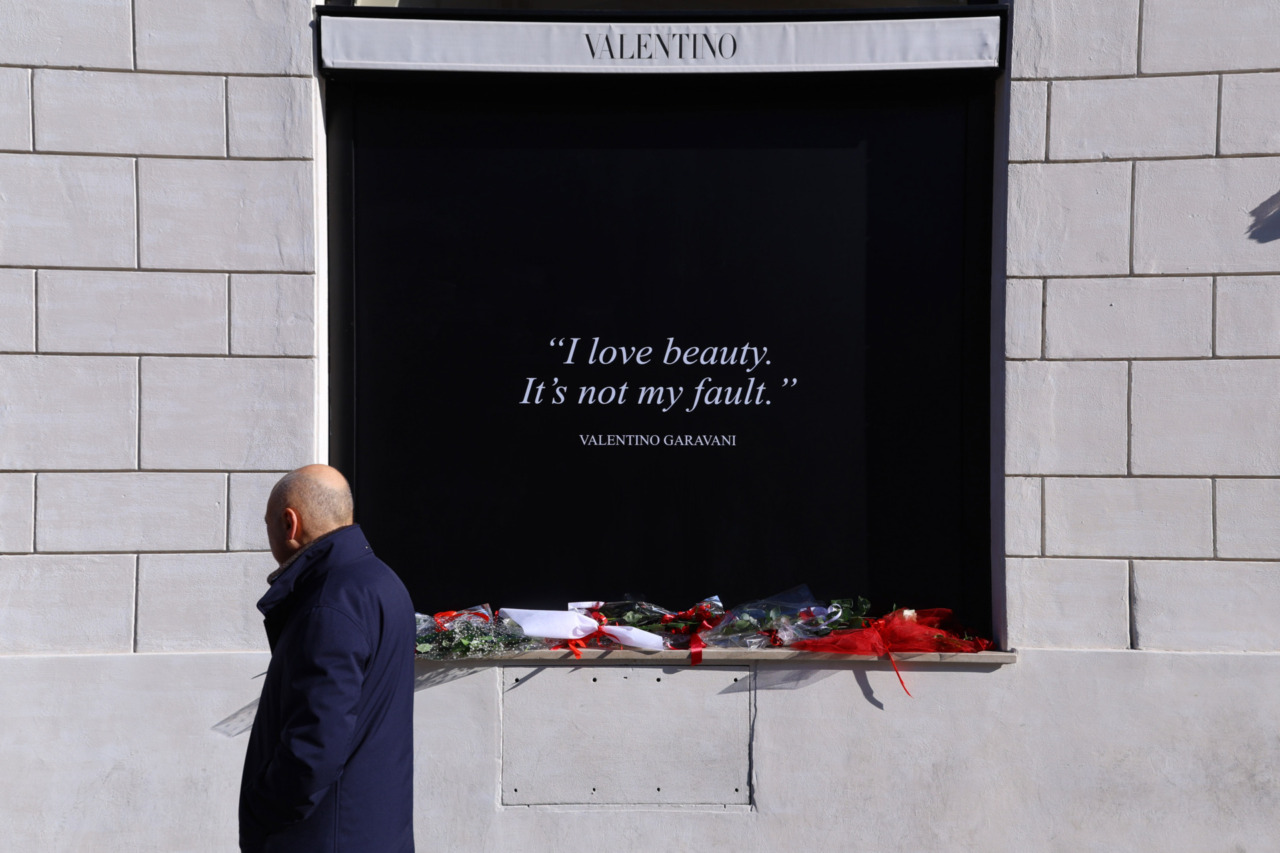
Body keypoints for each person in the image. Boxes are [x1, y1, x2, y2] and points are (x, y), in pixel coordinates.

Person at [239, 464, 416, 852]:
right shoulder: (381, 582)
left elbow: (314, 749)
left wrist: (258, 813)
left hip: (325, 839)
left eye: (268, 523)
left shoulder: (329, 603)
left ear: (290, 523)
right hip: (370, 831)